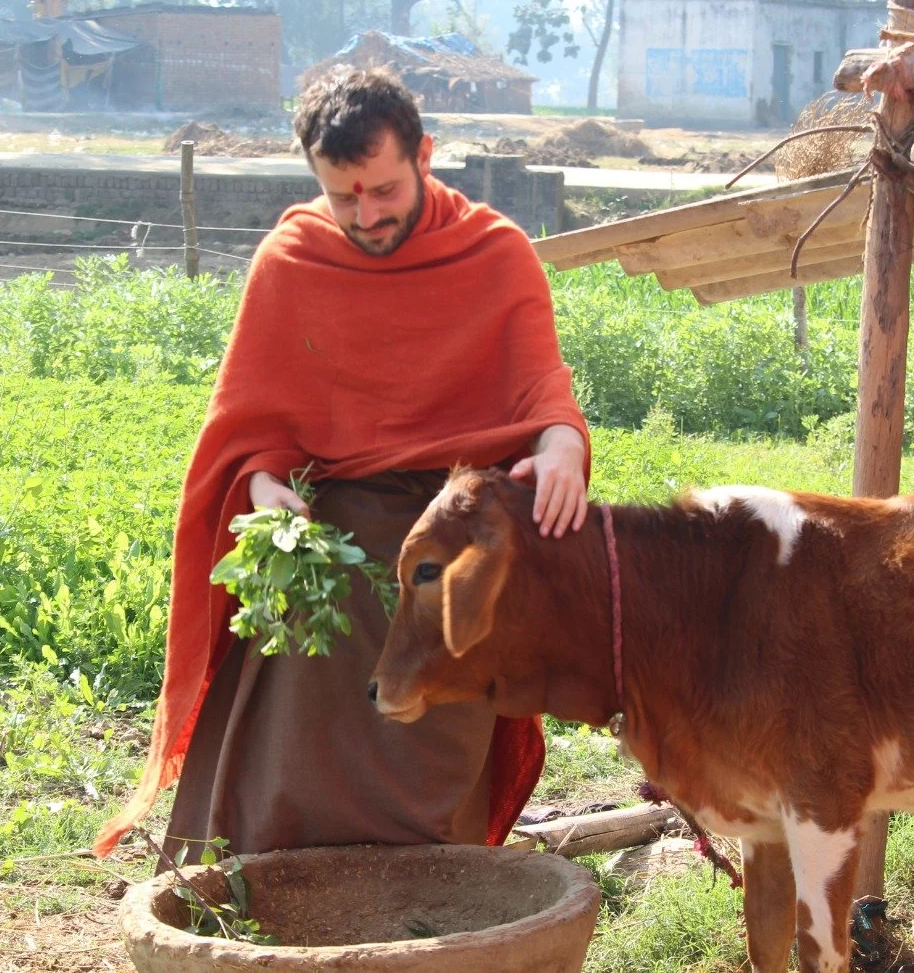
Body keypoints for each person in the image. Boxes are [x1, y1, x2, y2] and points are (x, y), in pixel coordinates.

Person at [93, 68, 590, 862]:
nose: (367, 215)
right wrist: (261, 487)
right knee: (290, 749)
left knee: (433, 752)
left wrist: (563, 443)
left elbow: (543, 393)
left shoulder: (496, 254)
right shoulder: (292, 259)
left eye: (385, 190)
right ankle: (272, 898)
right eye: (343, 196)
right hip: (329, 536)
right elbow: (255, 426)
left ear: (425, 154)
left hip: (453, 542)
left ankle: (433, 915)